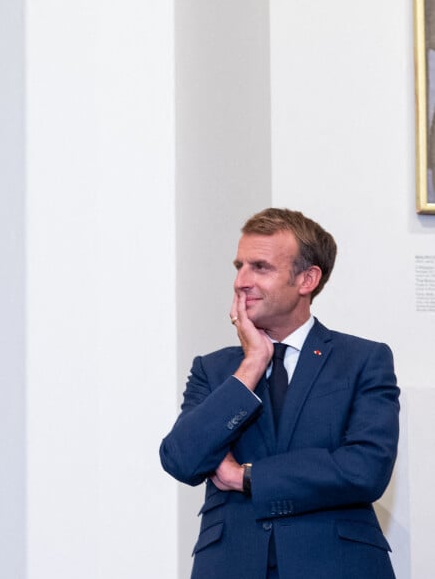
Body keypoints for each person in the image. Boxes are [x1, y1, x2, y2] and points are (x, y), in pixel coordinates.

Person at [160, 208, 399, 579]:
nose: (241, 281)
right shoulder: (215, 369)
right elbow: (181, 459)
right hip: (231, 565)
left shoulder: (363, 360)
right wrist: (252, 364)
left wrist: (248, 478)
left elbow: (365, 470)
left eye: (260, 267)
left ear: (307, 279)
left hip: (336, 565)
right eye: (239, 266)